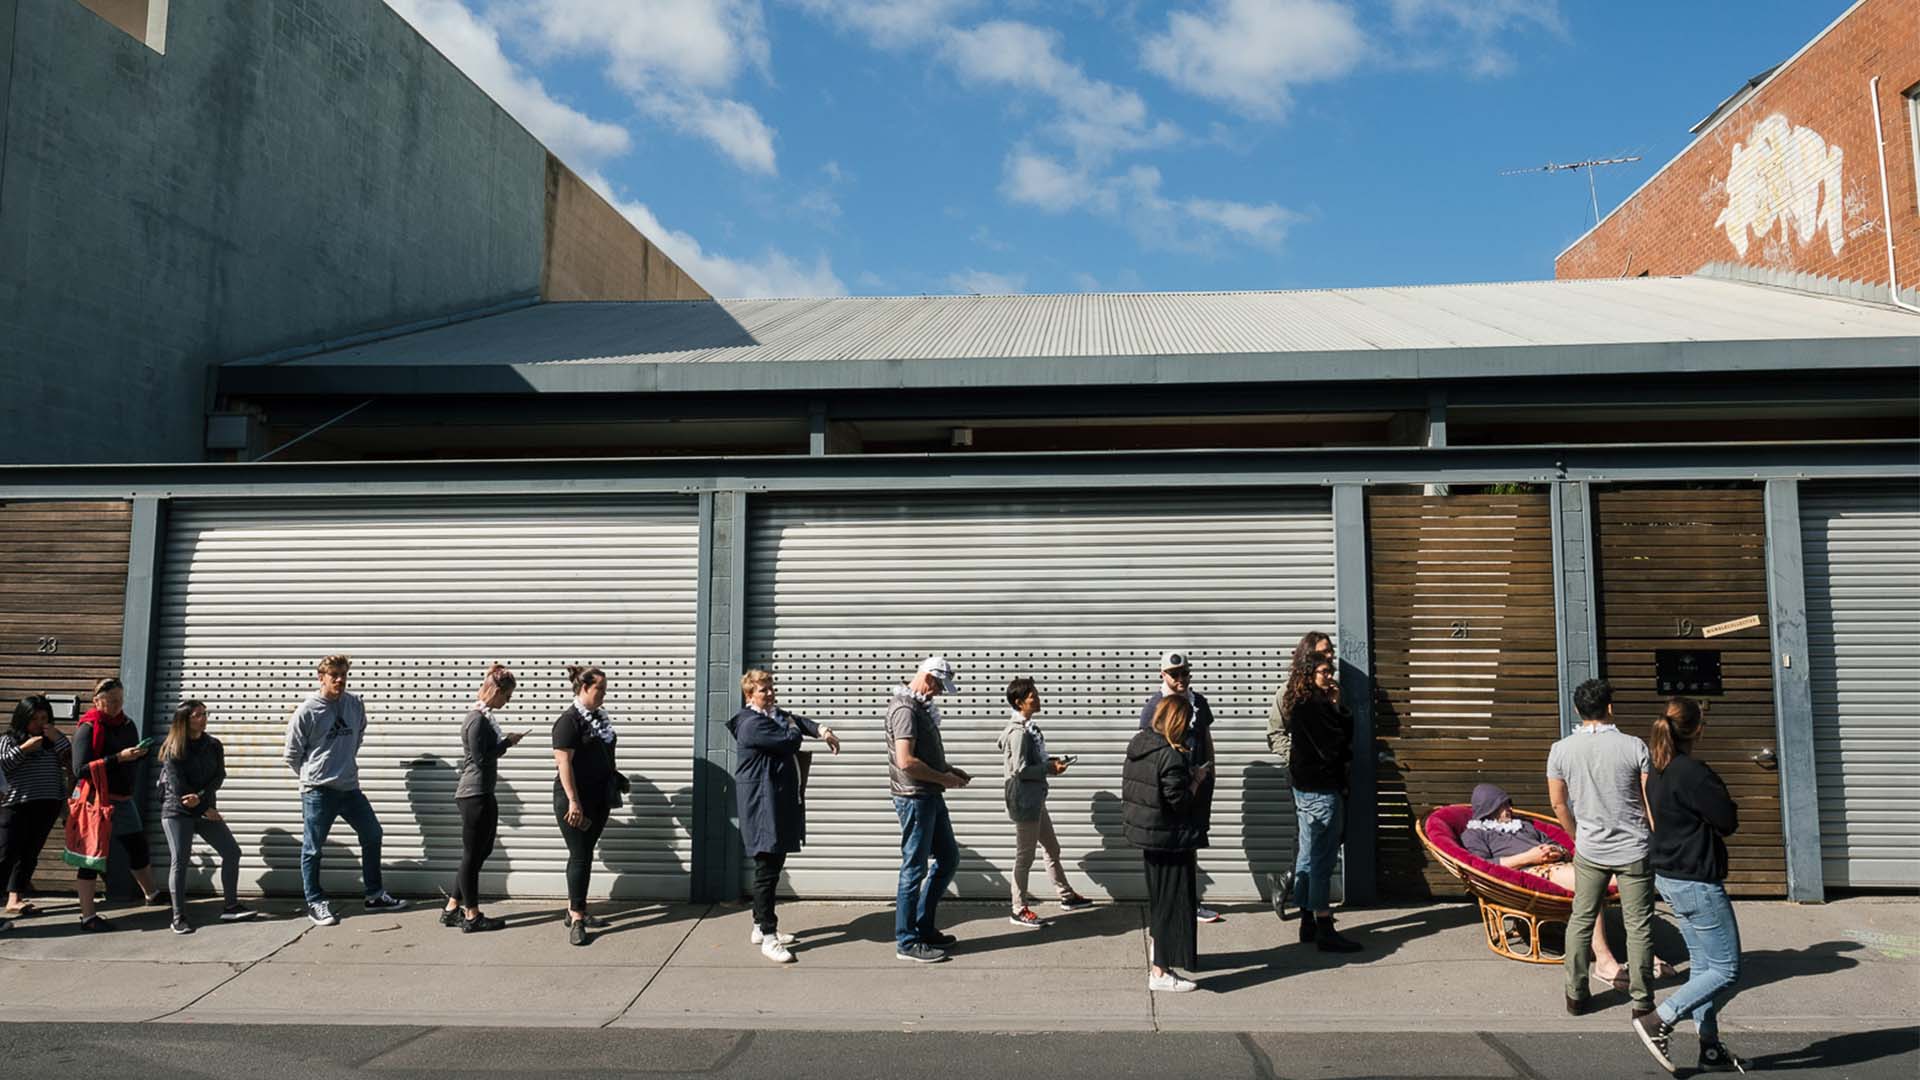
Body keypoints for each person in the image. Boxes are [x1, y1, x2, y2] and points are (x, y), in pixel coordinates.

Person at [1634, 697, 1748, 1075]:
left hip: (1670, 877)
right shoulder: (1693, 772)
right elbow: (1727, 820)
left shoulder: (1658, 769)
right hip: (1697, 881)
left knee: (1703, 965)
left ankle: (1709, 1047)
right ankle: (1659, 1020)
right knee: (1727, 968)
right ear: (1697, 729)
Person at [1550, 678, 1656, 1019]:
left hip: (1591, 848)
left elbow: (1558, 803)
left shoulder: (1561, 750)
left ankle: (1576, 995)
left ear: (1579, 711)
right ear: (1610, 707)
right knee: (1638, 924)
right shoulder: (1634, 746)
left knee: (1581, 920)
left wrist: (1577, 837)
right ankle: (1642, 1000)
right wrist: (1654, 836)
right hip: (1633, 847)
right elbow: (1647, 799)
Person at [285, 655, 409, 927]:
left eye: (343, 675)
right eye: (334, 676)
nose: (340, 680)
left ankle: (374, 894)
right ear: (321, 678)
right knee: (313, 849)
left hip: (350, 789)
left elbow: (358, 736)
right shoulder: (308, 710)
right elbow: (292, 754)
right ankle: (315, 901)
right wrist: (314, 776)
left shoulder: (354, 704)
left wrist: (343, 767)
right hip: (318, 791)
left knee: (372, 833)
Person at [729, 669, 840, 963]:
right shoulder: (752, 724)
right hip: (762, 806)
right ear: (749, 695)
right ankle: (768, 936)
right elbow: (791, 739)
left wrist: (822, 729)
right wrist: (793, 727)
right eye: (763, 690)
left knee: (771, 867)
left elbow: (798, 722)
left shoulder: (772, 715)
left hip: (774, 802)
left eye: (770, 688)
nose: (770, 693)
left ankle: (758, 926)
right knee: (767, 869)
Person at [1123, 694, 1208, 992]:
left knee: (1160, 901)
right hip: (1171, 840)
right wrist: (1196, 779)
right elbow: (1178, 802)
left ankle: (1163, 962)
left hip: (1150, 838)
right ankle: (1160, 972)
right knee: (1169, 905)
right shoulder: (1170, 756)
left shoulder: (1140, 746)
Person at [889, 656, 970, 964]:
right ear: (928, 677)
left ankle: (923, 928)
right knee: (914, 869)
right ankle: (906, 941)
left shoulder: (918, 707)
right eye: (937, 685)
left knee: (948, 859)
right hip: (915, 798)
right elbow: (906, 761)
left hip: (929, 795)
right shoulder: (905, 709)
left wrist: (950, 770)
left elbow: (923, 756)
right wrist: (945, 779)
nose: (937, 692)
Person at [1281, 652, 1361, 952]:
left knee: (1307, 856)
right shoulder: (1315, 706)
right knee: (1322, 861)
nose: (1330, 676)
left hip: (1306, 789)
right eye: (1325, 671)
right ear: (1310, 673)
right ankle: (1324, 925)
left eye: (1331, 671)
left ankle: (1307, 922)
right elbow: (1336, 746)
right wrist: (1338, 708)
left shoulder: (1300, 703)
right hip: (1321, 791)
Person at [998, 677, 1093, 928]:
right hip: (1025, 802)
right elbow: (1020, 770)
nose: (1038, 698)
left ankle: (1066, 896)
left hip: (1035, 799)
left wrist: (1052, 762)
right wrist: (1048, 768)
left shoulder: (1029, 728)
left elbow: (1033, 762)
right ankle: (1018, 908)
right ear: (1019, 702)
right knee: (1025, 856)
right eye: (1033, 696)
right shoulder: (1018, 733)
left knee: (1052, 848)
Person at [72, 677, 163, 930]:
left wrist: (137, 755)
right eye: (110, 701)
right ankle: (88, 917)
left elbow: (129, 759)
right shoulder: (88, 728)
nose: (115, 706)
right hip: (95, 801)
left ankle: (151, 893)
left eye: (119, 701)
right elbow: (79, 769)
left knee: (137, 846)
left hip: (122, 799)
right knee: (90, 858)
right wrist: (118, 758)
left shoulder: (126, 724)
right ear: (96, 701)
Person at [440, 665, 524, 934]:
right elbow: (481, 758)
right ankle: (472, 915)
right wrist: (508, 742)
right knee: (472, 855)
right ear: (496, 691)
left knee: (479, 852)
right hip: (473, 794)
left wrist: (504, 743)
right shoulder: (476, 720)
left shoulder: (483, 717)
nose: (508, 701)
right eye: (507, 696)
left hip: (482, 792)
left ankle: (453, 907)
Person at [1137, 651, 1219, 923]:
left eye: (1185, 673)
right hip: (1171, 788)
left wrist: (1211, 774)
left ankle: (1190, 903)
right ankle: (1172, 907)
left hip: (1195, 785)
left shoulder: (1198, 703)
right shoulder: (1155, 706)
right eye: (1174, 674)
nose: (1181, 678)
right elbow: (1147, 747)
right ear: (1163, 675)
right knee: (1171, 848)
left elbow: (1206, 738)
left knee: (1190, 845)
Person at [158, 700, 253, 934]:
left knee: (232, 852)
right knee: (180, 860)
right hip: (177, 812)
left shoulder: (213, 744)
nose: (203, 718)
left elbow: (219, 776)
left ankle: (230, 906)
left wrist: (201, 801)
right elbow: (178, 787)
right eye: (197, 715)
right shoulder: (173, 748)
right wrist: (200, 805)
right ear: (184, 720)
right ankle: (178, 917)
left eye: (204, 714)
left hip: (205, 809)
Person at [554, 664, 626, 946]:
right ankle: (576, 916)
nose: (604, 695)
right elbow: (563, 764)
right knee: (580, 854)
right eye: (600, 689)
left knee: (586, 852)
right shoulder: (568, 722)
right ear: (584, 687)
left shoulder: (599, 718)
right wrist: (573, 801)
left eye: (605, 690)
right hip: (575, 799)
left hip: (599, 797)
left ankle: (576, 906)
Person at [1268, 631, 1334, 912]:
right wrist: (1296, 757)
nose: (1329, 657)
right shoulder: (1288, 693)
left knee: (1313, 840)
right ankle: (1291, 888)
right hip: (1303, 774)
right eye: (1322, 653)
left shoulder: (1331, 688)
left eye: (1330, 651)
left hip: (1329, 776)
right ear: (1307, 656)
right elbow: (1275, 733)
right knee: (1308, 839)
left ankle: (1296, 894)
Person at [1, 696, 71, 919]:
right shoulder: (9, 740)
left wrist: (57, 737)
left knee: (29, 854)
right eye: (34, 719)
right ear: (23, 719)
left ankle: (15, 899)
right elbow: (2, 765)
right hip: (16, 804)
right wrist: (24, 749)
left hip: (47, 804)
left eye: (44, 718)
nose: (40, 723)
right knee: (6, 854)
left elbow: (71, 762)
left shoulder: (51, 743)